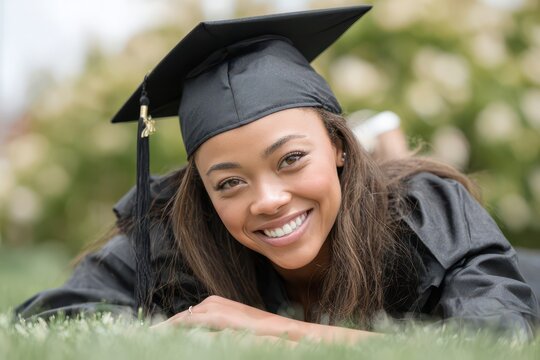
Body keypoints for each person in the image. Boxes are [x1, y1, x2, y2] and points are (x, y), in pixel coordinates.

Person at [15, 6, 539, 343]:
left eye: (290, 159)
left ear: (339, 144)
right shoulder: (177, 235)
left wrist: (265, 326)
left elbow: (498, 339)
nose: (267, 199)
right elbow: (50, 324)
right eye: (229, 182)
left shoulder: (424, 210)